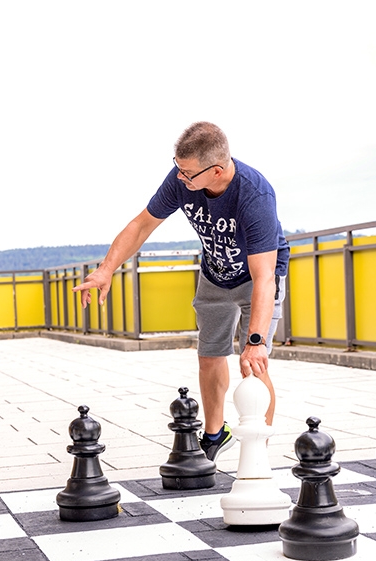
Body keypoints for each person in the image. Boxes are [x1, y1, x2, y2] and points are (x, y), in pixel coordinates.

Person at [73, 122, 289, 464]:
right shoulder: (182, 179)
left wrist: (256, 340)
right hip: (215, 274)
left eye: (187, 173)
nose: (180, 178)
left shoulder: (255, 195)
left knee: (253, 364)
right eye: (177, 167)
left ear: (216, 170)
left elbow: (264, 278)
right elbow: (141, 224)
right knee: (209, 355)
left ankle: (257, 453)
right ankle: (216, 436)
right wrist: (106, 269)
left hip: (257, 279)